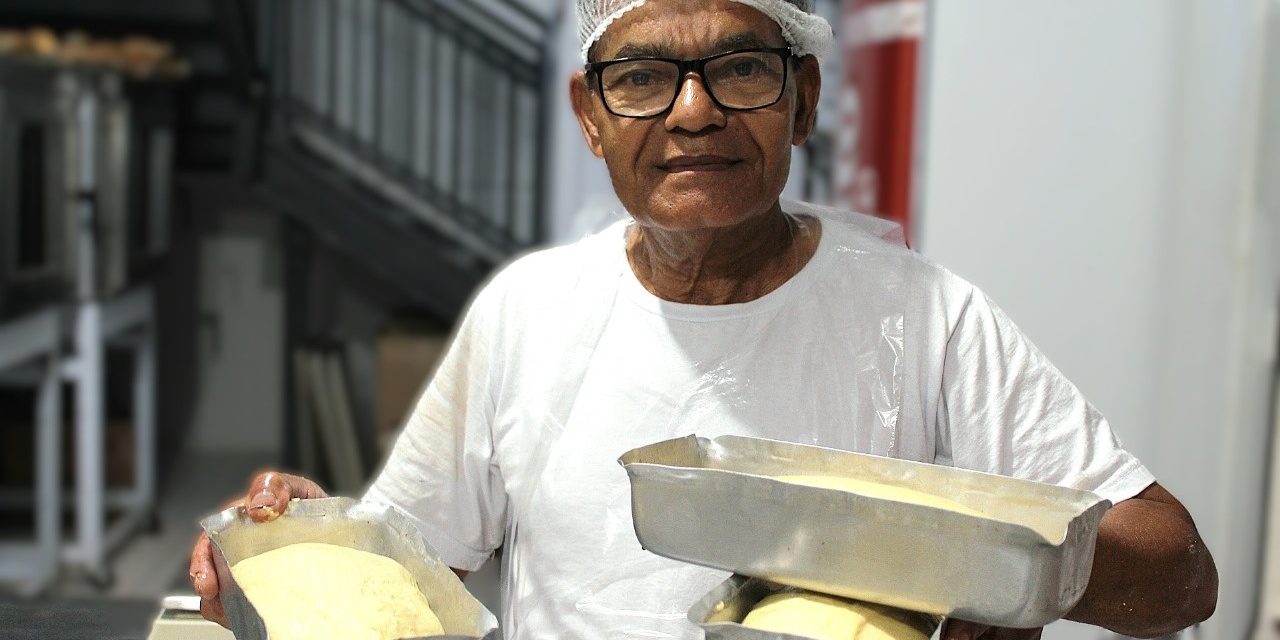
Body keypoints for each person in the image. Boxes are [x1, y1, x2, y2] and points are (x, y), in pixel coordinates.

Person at [190, 1, 1219, 638]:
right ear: (590, 117)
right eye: (639, 76)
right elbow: (413, 570)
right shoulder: (529, 315)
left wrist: (1006, 575)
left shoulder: (922, 319)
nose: (692, 112)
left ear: (802, 99)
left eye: (739, 68)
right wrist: (297, 538)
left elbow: (1176, 568)